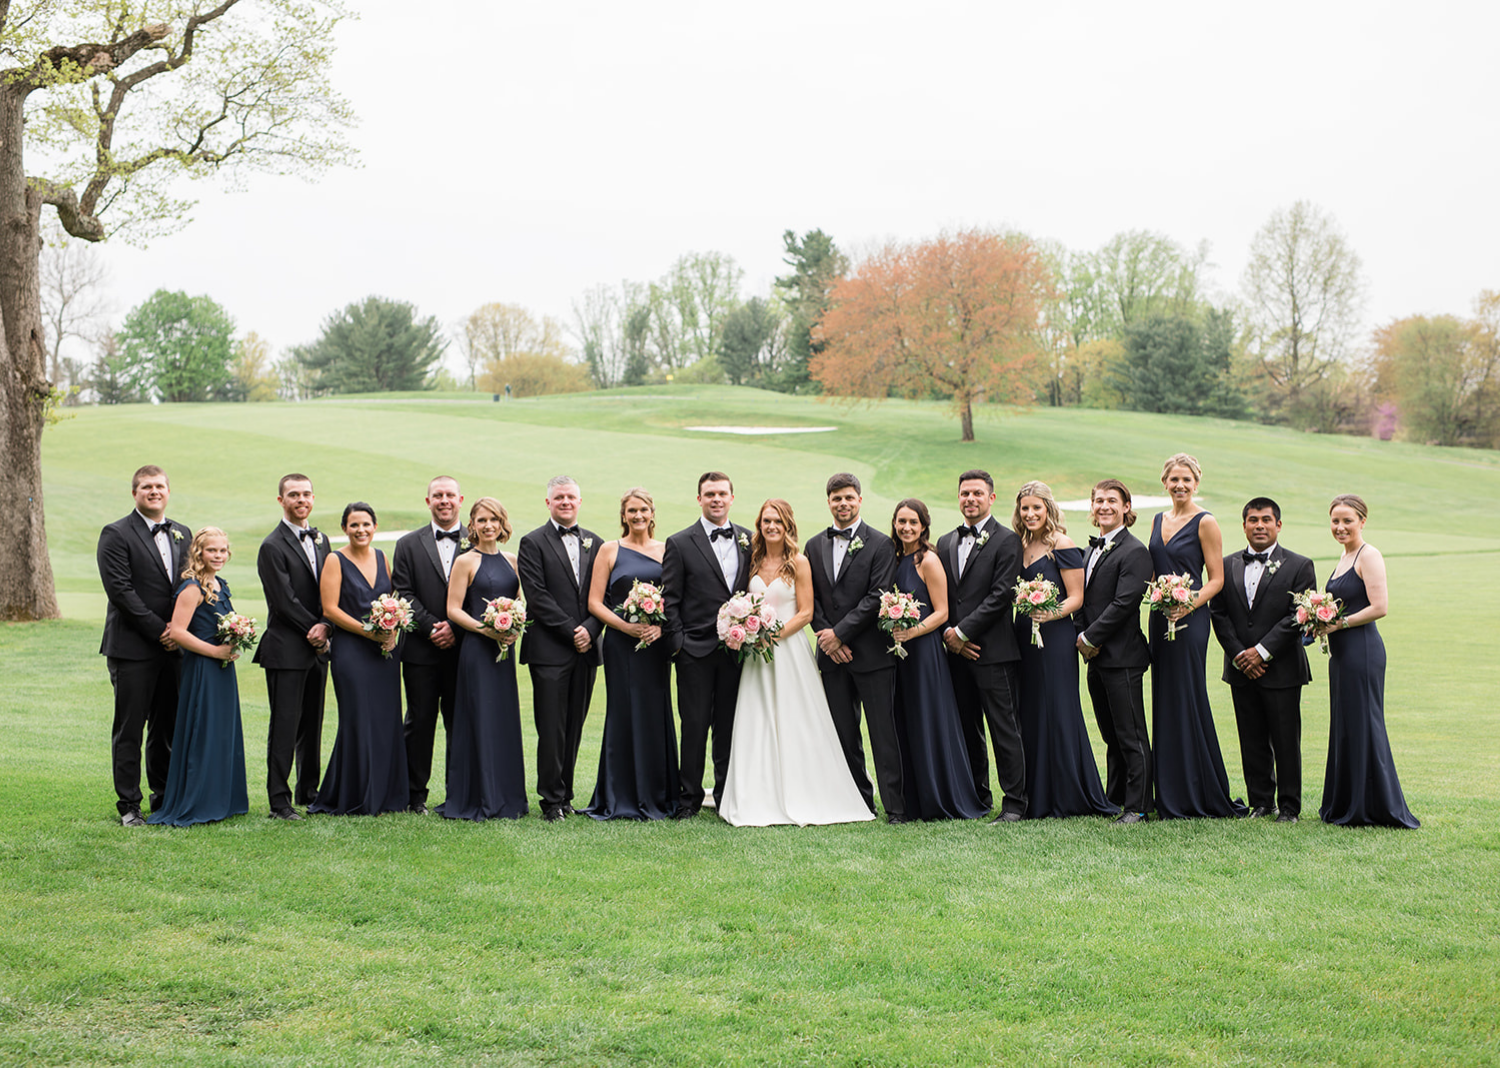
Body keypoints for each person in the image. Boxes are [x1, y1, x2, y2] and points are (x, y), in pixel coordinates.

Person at [719, 500, 875, 827]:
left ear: (787, 524)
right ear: (759, 525)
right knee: (756, 719)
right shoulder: (753, 561)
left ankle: (808, 791)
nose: (771, 526)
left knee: (796, 719)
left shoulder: (799, 562)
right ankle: (757, 794)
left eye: (777, 521)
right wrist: (746, 629)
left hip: (787, 651)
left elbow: (805, 612)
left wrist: (771, 636)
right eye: (766, 521)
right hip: (756, 657)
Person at [1147, 454, 1247, 819]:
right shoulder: (1158, 519)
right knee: (1163, 697)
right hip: (1159, 618)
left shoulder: (1206, 522)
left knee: (1187, 695)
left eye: (1186, 479)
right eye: (1174, 479)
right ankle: (1167, 789)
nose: (1180, 485)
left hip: (1190, 621)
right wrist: (1162, 601)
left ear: (1197, 483)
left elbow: (1217, 579)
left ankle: (1197, 789)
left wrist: (1187, 603)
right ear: (1164, 482)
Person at [1209, 498, 1317, 822]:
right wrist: (1241, 654)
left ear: (1278, 525)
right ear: (1243, 525)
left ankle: (1289, 807)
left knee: (1285, 740)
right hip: (1241, 668)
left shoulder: (1300, 565)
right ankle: (1260, 802)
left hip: (1281, 668)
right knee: (1251, 738)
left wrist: (1263, 651)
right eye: (1253, 520)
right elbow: (1219, 614)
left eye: (1266, 520)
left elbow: (1297, 616)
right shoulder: (1226, 565)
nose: (1259, 525)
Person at [1011, 482, 1114, 819]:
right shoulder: (1021, 544)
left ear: (1048, 509)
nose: (1030, 514)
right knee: (1029, 711)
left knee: (1057, 709)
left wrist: (1049, 612)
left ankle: (1068, 793)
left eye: (1036, 508)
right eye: (1025, 508)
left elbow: (1076, 597)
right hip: (1024, 635)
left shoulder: (1063, 544)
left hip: (1055, 637)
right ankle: (1034, 794)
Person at [1315, 495, 1419, 829]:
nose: (1340, 527)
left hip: (1362, 650)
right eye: (1335, 521)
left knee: (1363, 724)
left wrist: (1339, 624)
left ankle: (1371, 806)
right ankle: (1345, 801)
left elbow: (1380, 606)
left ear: (1362, 521)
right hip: (1342, 654)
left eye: (1347, 520)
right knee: (1345, 724)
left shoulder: (1368, 555)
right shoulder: (1343, 556)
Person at [808, 473, 906, 822]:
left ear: (860, 500)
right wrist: (828, 638)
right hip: (831, 657)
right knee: (843, 734)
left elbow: (877, 596)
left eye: (849, 498)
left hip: (871, 655)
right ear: (829, 502)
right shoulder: (813, 544)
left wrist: (841, 635)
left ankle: (895, 806)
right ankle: (858, 801)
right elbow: (811, 600)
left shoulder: (880, 544)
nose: (843, 504)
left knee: (883, 733)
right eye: (836, 499)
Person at [97, 465, 191, 826]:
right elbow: (121, 591)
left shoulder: (182, 532)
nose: (154, 491)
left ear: (169, 491)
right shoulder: (116, 533)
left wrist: (180, 632)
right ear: (134, 493)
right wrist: (161, 631)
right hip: (132, 647)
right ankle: (129, 805)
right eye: (147, 487)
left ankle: (162, 797)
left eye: (160, 486)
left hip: (174, 649)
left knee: (166, 726)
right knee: (130, 727)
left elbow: (189, 585)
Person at [935, 469, 1027, 820]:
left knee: (1004, 729)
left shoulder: (1007, 540)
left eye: (977, 493)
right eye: (964, 494)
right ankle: (977, 797)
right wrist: (951, 636)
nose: (970, 499)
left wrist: (963, 633)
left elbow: (1001, 595)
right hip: (955, 654)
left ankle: (1016, 804)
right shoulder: (945, 542)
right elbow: (940, 597)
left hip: (995, 652)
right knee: (966, 728)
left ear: (991, 498)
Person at [888, 499, 988, 821]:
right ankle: (912, 799)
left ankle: (941, 796)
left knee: (929, 719)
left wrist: (912, 631)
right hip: (900, 655)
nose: (906, 528)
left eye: (912, 523)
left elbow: (942, 611)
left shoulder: (927, 560)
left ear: (923, 526)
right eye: (901, 521)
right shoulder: (894, 557)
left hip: (925, 652)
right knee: (906, 721)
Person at [582, 489, 679, 820]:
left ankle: (660, 793)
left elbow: (677, 601)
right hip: (621, 645)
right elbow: (595, 602)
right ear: (623, 515)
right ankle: (618, 794)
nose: (638, 516)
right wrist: (626, 628)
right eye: (632, 511)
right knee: (622, 712)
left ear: (653, 513)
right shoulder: (610, 550)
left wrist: (661, 629)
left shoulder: (668, 550)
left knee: (655, 712)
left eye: (644, 510)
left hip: (655, 647)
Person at [309, 502, 409, 816]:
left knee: (386, 719)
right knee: (358, 719)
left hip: (384, 654)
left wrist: (392, 631)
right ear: (344, 529)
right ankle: (353, 794)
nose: (361, 530)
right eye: (354, 525)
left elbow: (392, 601)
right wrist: (369, 632)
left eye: (366, 524)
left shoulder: (382, 558)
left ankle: (387, 794)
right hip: (351, 651)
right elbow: (330, 609)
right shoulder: (335, 560)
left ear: (375, 526)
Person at [661, 472, 752, 818]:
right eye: (709, 494)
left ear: (732, 497)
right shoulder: (680, 542)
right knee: (695, 726)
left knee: (729, 727)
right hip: (694, 651)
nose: (716, 499)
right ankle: (689, 799)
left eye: (722, 493)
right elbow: (671, 599)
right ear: (699, 499)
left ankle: (726, 795)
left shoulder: (748, 539)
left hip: (737, 652)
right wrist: (679, 644)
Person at [148, 528, 250, 826]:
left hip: (222, 670)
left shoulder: (222, 585)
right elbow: (178, 632)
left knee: (221, 731)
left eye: (222, 550)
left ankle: (222, 797)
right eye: (211, 551)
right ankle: (198, 800)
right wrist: (215, 652)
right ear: (198, 552)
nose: (218, 556)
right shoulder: (192, 587)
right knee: (203, 730)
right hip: (203, 668)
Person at [517, 475, 604, 822]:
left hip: (586, 651)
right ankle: (550, 799)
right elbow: (537, 596)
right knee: (551, 727)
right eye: (559, 497)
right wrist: (573, 630)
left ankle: (567, 794)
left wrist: (592, 628)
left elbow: (604, 596)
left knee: (575, 725)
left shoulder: (596, 543)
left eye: (571, 497)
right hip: (549, 650)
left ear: (580, 502)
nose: (565, 502)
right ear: (548, 503)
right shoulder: (532, 542)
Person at [440, 497, 529, 821]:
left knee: (502, 719)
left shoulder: (512, 560)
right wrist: (486, 630)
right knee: (479, 718)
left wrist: (515, 627)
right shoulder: (465, 561)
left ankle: (507, 797)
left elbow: (522, 603)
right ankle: (477, 796)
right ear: (472, 526)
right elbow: (453, 610)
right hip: (477, 651)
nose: (488, 525)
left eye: (494, 519)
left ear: (502, 523)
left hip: (504, 651)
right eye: (481, 520)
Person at [1074, 479, 1154, 823]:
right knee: (1110, 733)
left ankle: (1137, 807)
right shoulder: (1091, 549)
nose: (1104, 506)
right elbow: (1083, 598)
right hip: (1096, 657)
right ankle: (1115, 797)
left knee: (1131, 733)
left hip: (1122, 656)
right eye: (1099, 501)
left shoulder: (1135, 551)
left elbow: (1124, 603)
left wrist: (1089, 638)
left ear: (1126, 507)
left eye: (1111, 501)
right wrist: (1081, 633)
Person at [254, 473, 331, 820]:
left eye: (306, 494)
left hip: (320, 647)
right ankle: (279, 801)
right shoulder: (272, 546)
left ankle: (308, 791)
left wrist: (327, 627)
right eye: (294, 495)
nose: (301, 500)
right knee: (285, 724)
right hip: (286, 648)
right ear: (281, 500)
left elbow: (330, 593)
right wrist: (315, 629)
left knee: (313, 723)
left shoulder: (321, 540)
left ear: (314, 499)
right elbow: (283, 601)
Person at [391, 476, 465, 815]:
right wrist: (434, 627)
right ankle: (414, 795)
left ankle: (457, 793)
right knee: (419, 721)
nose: (444, 501)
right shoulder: (408, 544)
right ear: (428, 501)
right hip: (421, 650)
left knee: (459, 722)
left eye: (450, 495)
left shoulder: (476, 540)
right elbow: (403, 592)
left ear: (460, 499)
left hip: (464, 651)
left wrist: (455, 628)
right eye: (438, 495)